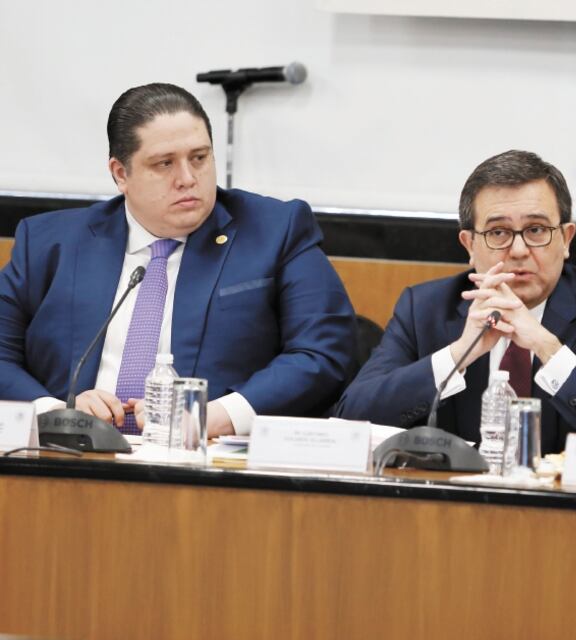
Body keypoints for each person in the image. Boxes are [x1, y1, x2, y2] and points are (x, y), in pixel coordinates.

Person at [0, 83, 355, 437]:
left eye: (199, 158)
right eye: (164, 163)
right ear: (121, 174)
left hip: (208, 459)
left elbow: (323, 352)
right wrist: (56, 414)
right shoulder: (50, 243)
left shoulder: (275, 231)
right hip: (71, 458)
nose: (187, 179)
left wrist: (214, 417)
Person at [336, 149, 576, 454]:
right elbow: (351, 420)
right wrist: (459, 354)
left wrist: (547, 347)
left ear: (566, 239)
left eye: (536, 229)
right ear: (469, 245)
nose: (518, 250)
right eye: (498, 232)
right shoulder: (423, 310)